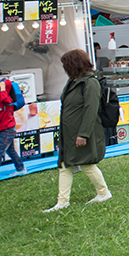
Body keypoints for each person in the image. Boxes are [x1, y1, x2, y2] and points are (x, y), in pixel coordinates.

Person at [44, 49, 111, 212]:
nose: (65, 68)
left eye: (66, 65)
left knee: (87, 163)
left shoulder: (90, 83)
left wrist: (84, 134)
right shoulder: (73, 81)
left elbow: (91, 110)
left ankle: (104, 192)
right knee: (65, 165)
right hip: (69, 133)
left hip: (81, 132)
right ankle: (62, 201)